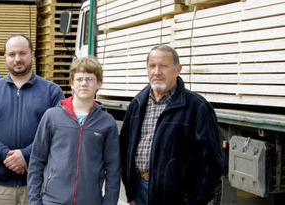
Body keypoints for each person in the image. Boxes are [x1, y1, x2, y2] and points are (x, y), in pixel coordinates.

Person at [120, 44, 223, 205]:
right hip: (141, 191)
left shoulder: (196, 107)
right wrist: (131, 194)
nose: (157, 72)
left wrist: (195, 201)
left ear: (178, 69)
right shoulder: (137, 104)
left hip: (176, 198)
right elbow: (125, 150)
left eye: (164, 66)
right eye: (152, 66)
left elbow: (211, 163)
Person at [0, 34, 65, 205]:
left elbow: (59, 131)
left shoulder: (52, 92)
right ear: (5, 57)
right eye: (12, 54)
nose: (17, 59)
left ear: (32, 55)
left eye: (23, 53)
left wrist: (27, 154)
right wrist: (5, 155)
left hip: (39, 184)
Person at [27, 57, 120, 205]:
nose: (84, 83)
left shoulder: (106, 122)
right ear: (71, 83)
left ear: (99, 83)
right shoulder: (52, 116)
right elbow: (37, 161)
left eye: (90, 79)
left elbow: (113, 169)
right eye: (79, 79)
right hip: (53, 201)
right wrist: (34, 201)